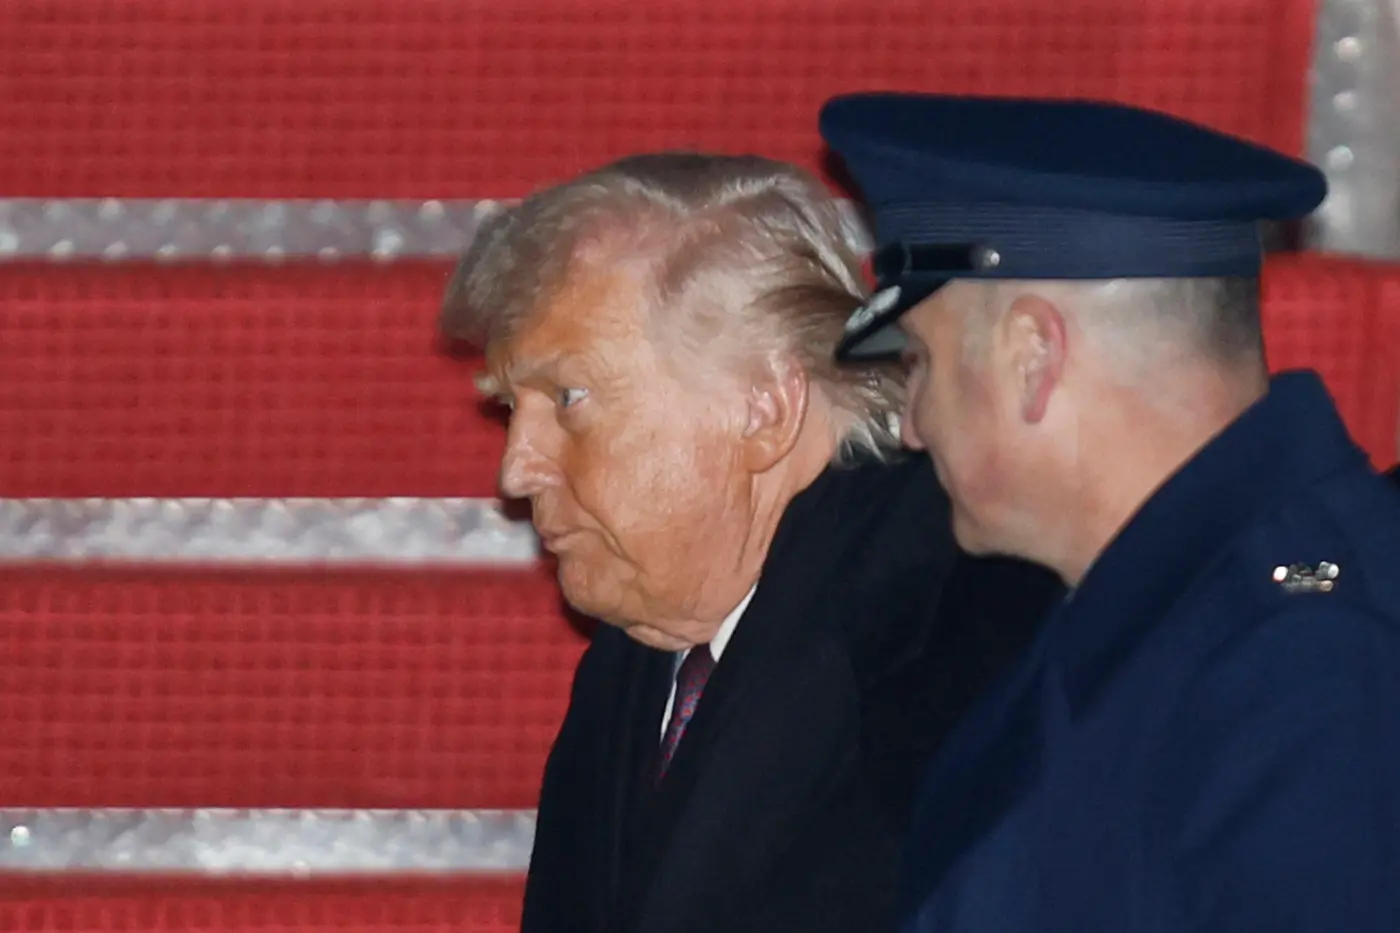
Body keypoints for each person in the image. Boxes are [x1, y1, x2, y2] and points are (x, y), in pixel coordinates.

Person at [820, 93, 1400, 933]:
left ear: (1033, 356)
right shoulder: (1147, 617)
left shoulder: (1312, 671)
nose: (911, 426)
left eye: (921, 362)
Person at [439, 153, 1061, 933]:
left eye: (569, 397)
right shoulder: (638, 649)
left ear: (764, 405)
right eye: (511, 409)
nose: (516, 468)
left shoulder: (969, 623)